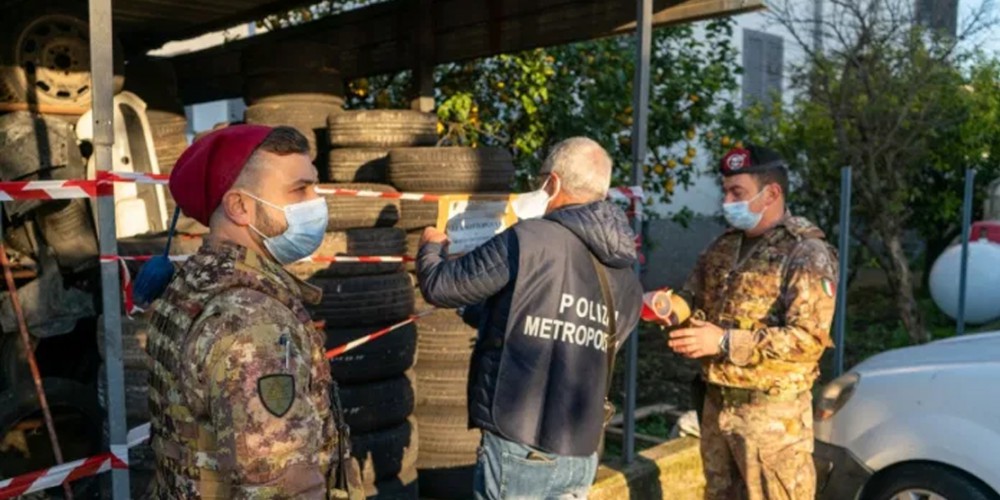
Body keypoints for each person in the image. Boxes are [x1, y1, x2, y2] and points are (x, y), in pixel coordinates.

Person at [417, 137, 643, 500]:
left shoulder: (530, 239)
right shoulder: (627, 272)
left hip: (519, 442)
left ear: (551, 183)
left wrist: (431, 247)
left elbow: (442, 286)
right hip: (582, 448)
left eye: (539, 179)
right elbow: (557, 326)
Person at [144, 124, 362, 499]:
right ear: (240, 206)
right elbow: (278, 485)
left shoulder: (195, 281)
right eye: (299, 190)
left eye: (314, 186)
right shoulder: (254, 324)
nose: (315, 202)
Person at [666, 144, 838, 499]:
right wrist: (669, 306)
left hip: (771, 419)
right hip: (718, 408)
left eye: (737, 192)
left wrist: (724, 342)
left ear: (771, 193)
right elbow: (691, 295)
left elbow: (808, 341)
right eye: (725, 191)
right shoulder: (723, 246)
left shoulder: (805, 253)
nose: (727, 201)